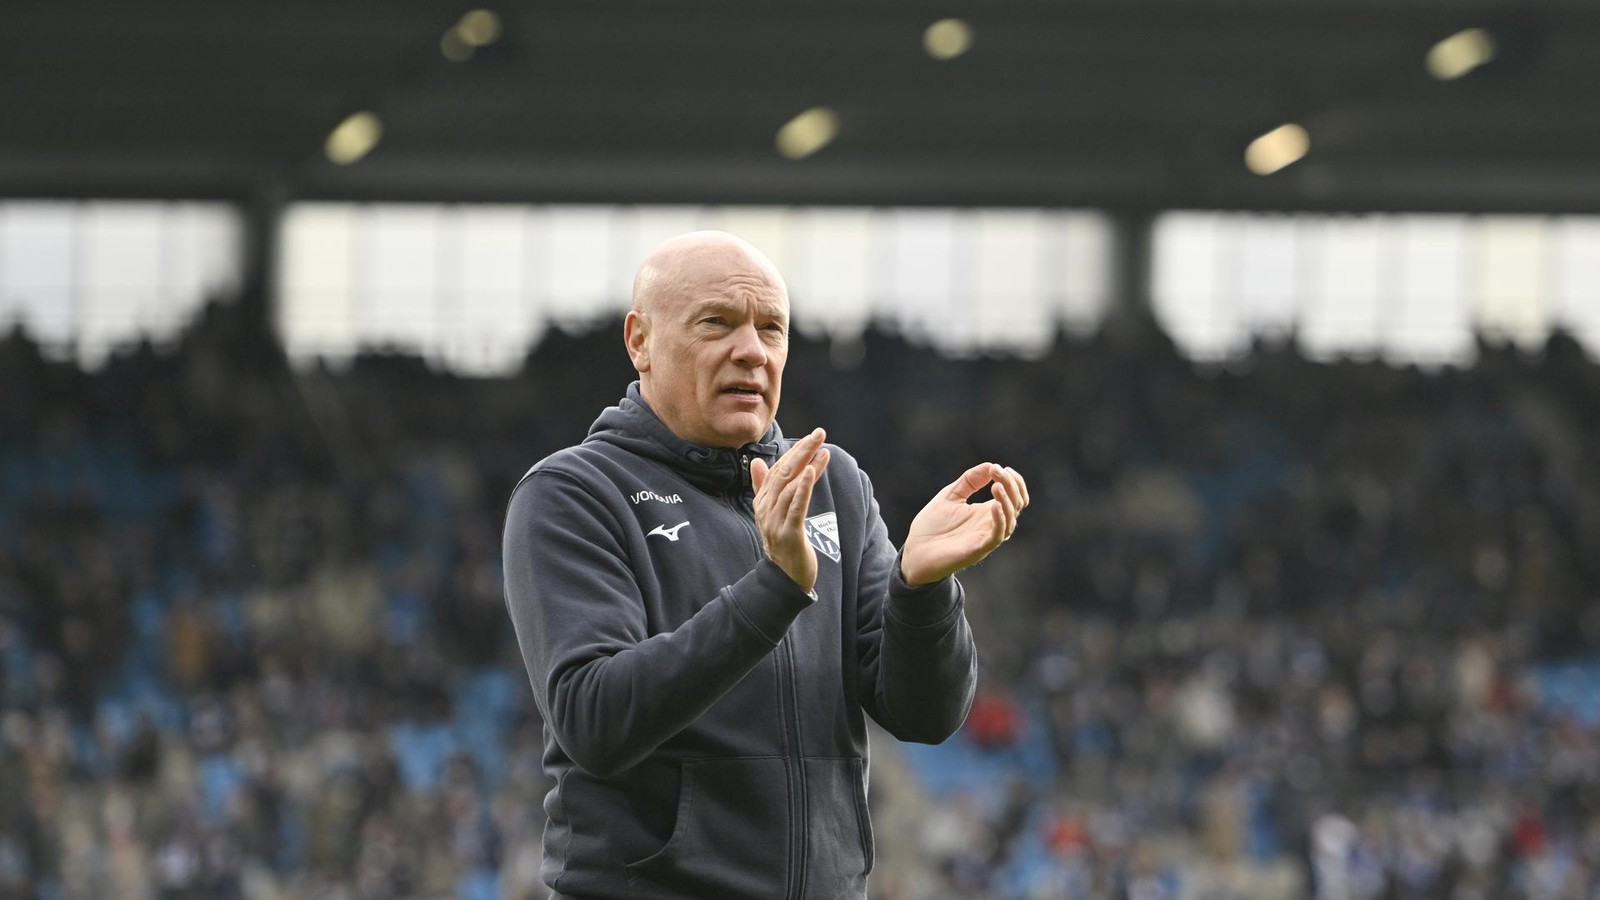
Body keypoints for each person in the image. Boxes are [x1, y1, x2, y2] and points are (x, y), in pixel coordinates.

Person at [501, 231, 1029, 899]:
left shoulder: (831, 484)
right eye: (717, 322)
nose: (751, 350)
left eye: (770, 328)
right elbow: (593, 720)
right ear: (640, 341)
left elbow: (925, 716)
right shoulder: (574, 493)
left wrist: (919, 591)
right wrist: (775, 588)